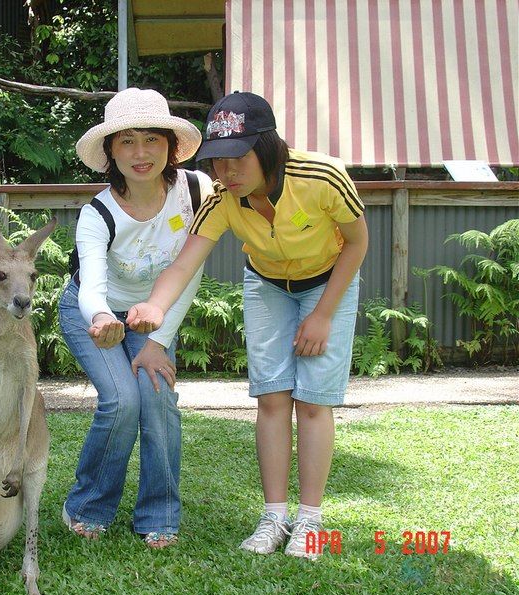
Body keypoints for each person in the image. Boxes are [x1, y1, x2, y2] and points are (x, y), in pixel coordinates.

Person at [127, 92, 368, 559]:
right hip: (267, 284)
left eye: (238, 157)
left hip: (328, 281)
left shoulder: (322, 177)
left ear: (267, 147)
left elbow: (357, 243)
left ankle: (310, 520)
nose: (227, 172)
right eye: (218, 161)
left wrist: (322, 315)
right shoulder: (221, 199)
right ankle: (274, 517)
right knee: (272, 396)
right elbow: (185, 262)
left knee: (313, 400)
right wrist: (154, 307)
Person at [59, 87, 214, 549]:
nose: (140, 153)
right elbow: (91, 286)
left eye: (151, 139)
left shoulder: (196, 191)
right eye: (126, 141)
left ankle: (159, 514)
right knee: (122, 401)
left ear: (171, 145)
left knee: (157, 398)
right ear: (110, 151)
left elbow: (189, 272)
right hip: (94, 315)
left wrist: (157, 342)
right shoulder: (97, 213)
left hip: (155, 317)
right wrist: (102, 318)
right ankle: (88, 506)